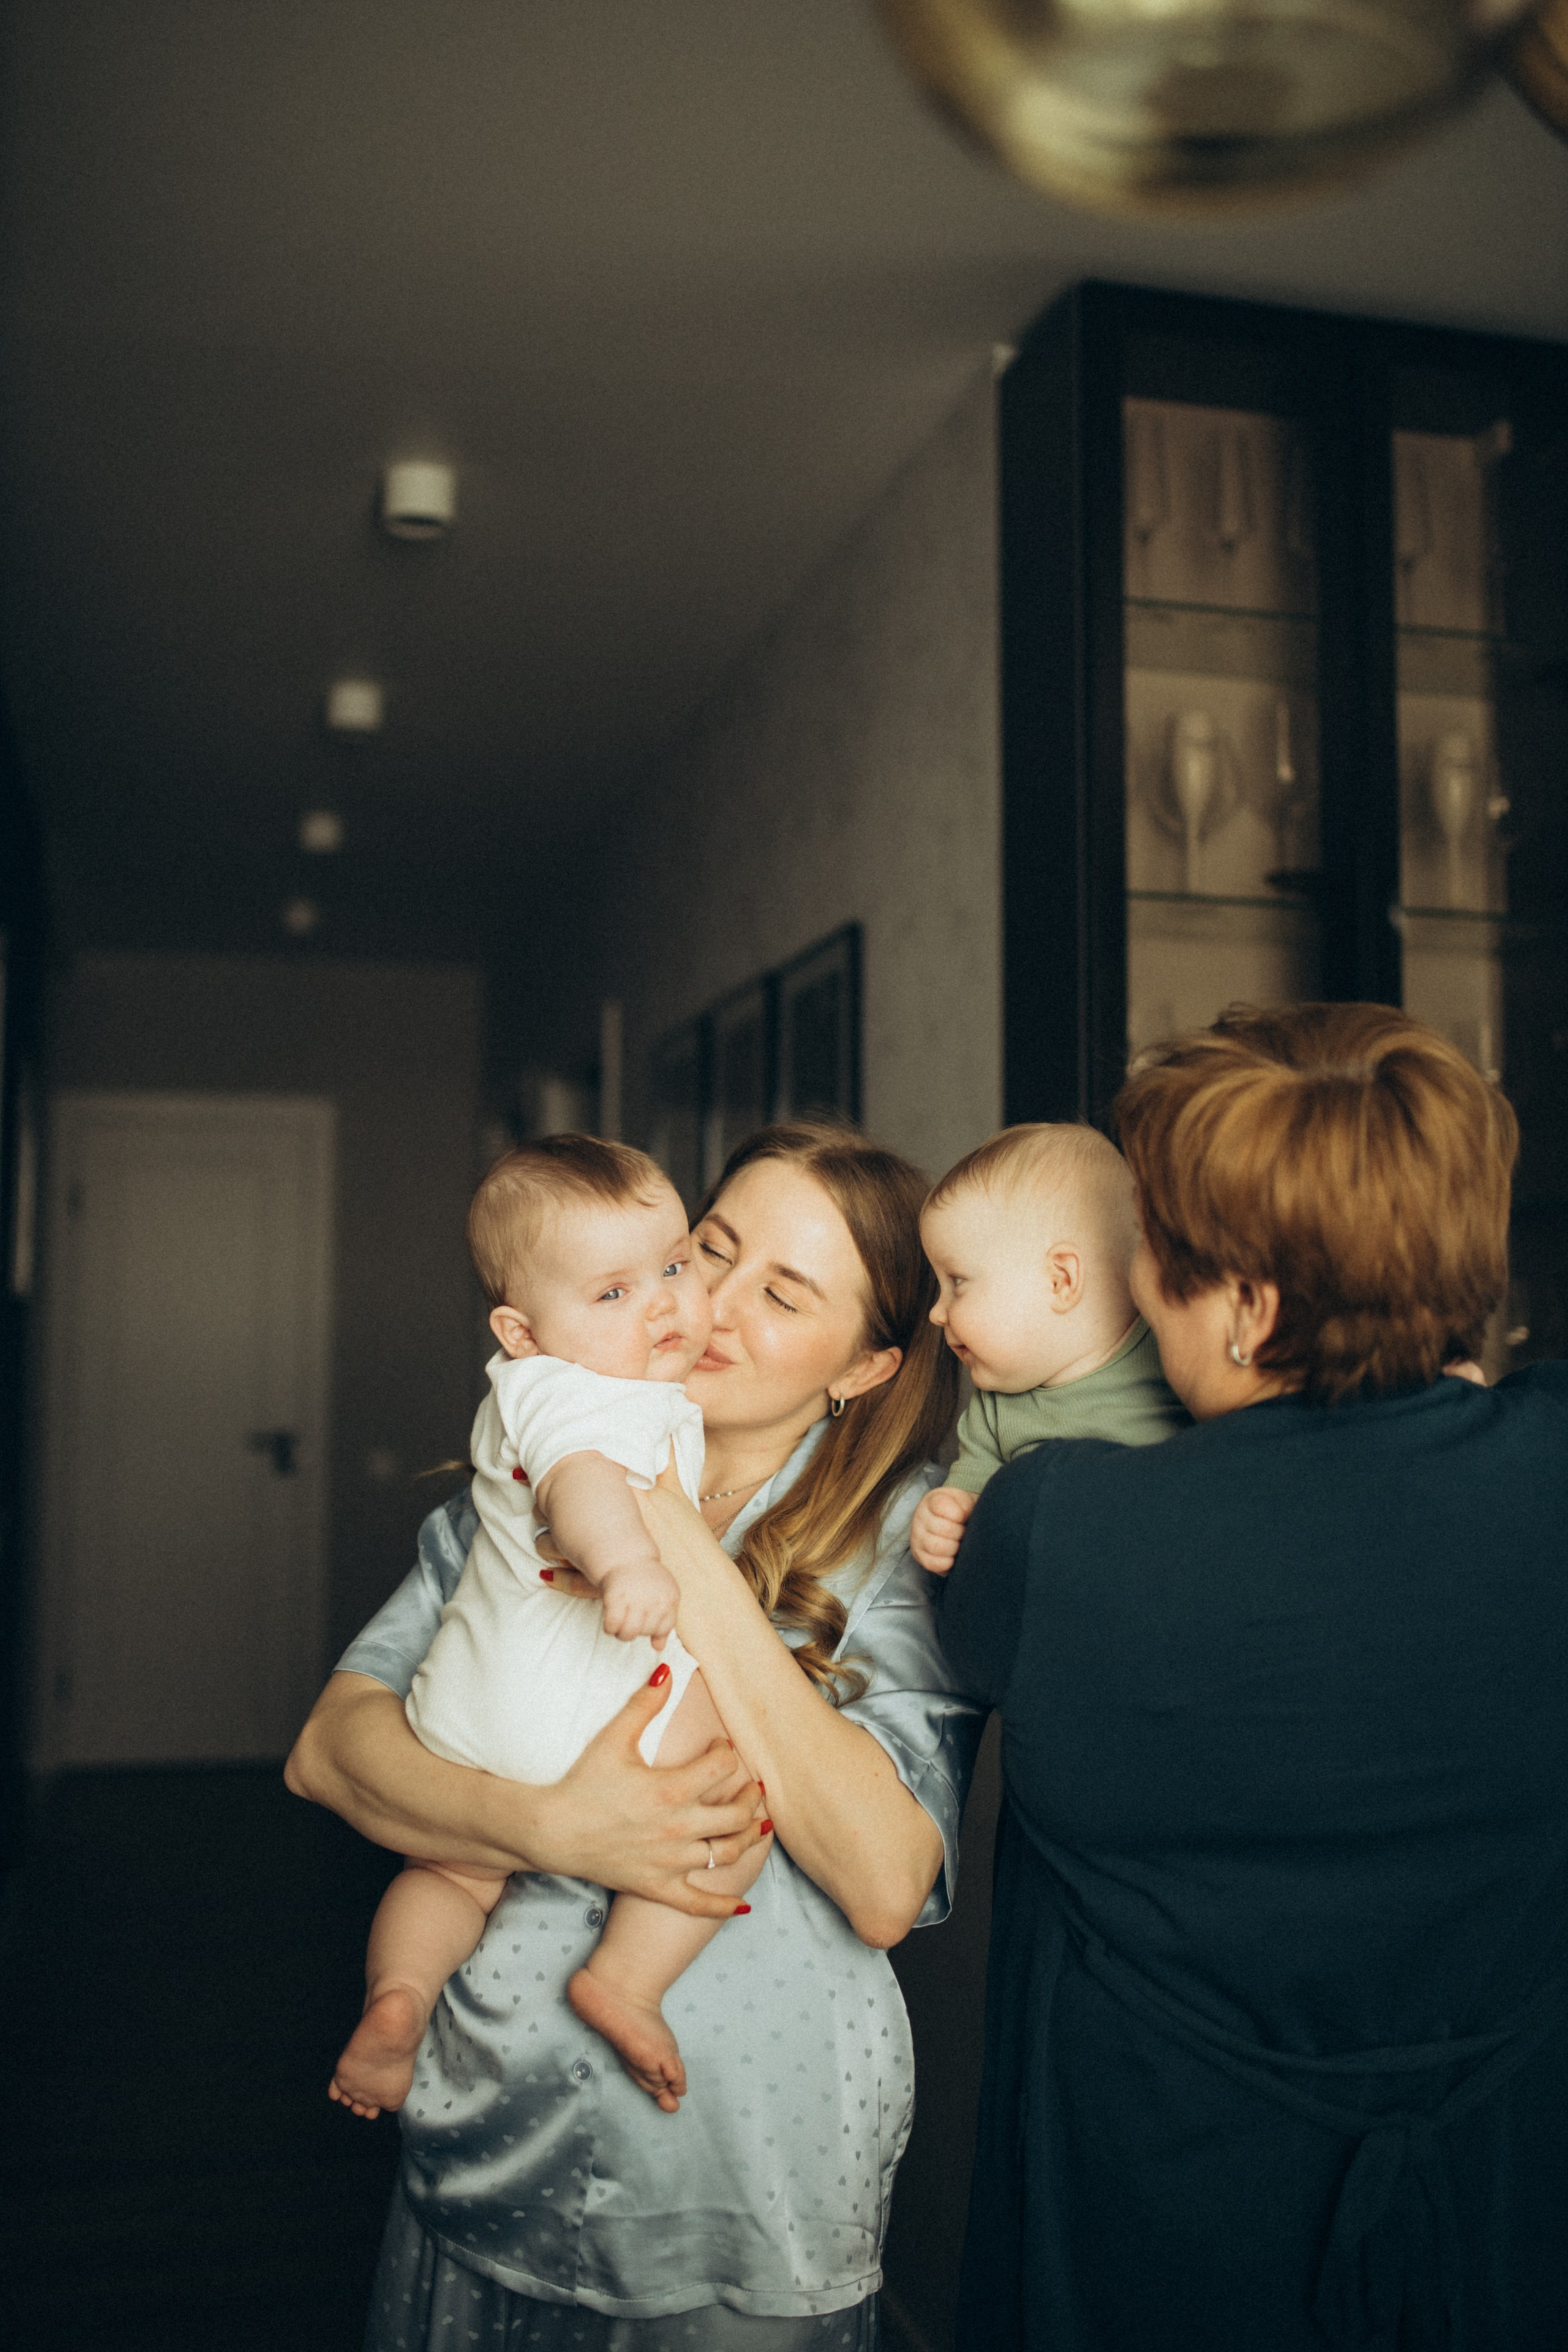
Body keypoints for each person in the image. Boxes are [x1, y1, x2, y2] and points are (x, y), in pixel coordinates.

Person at [286, 1121, 987, 2351]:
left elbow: (886, 1886)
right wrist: (546, 1826)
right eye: (706, 1249)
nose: (705, 1301)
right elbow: (329, 1753)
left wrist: (671, 1538)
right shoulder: (512, 1491)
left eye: (781, 1292)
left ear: (865, 1367)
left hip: (739, 2173)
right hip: (492, 2122)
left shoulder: (906, 1550)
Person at [940, 1002, 1568, 2351]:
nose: (1136, 1289)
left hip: (1152, 2238)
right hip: (1505, 2231)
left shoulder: (1060, 1528)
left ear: (1253, 1308)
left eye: (1154, 1258)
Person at [330, 1135, 771, 2127]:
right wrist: (629, 1565)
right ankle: (624, 1978)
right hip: (581, 1707)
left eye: (672, 1267)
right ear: (521, 1332)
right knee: (734, 1792)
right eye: (612, 1294)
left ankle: (399, 1997)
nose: (662, 1303)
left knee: (448, 1871)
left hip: (471, 1711)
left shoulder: (531, 1387)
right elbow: (582, 1483)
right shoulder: (581, 1396)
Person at [908, 1121, 1186, 1574]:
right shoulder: (992, 1412)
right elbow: (969, 1501)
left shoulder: (1167, 1359)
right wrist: (945, 1516)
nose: (937, 1313)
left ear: (1061, 1281)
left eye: (957, 1282)